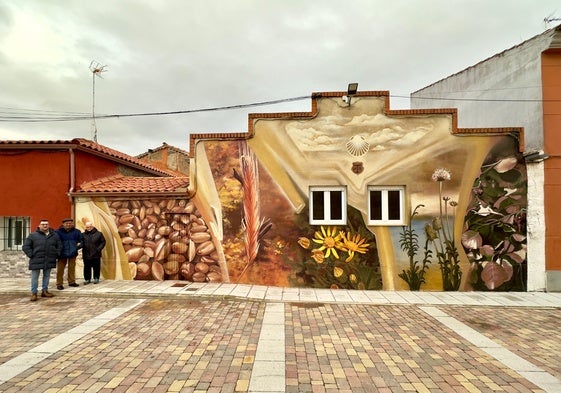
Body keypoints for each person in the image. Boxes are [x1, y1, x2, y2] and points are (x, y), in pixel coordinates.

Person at [22, 219, 62, 301]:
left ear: (49, 225)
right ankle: (34, 293)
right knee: (34, 277)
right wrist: (31, 255)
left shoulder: (54, 235)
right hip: (36, 259)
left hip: (49, 258)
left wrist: (57, 253)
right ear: (39, 225)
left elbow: (59, 245)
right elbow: (26, 246)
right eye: (43, 224)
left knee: (46, 276)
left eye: (46, 224)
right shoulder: (33, 235)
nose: (45, 226)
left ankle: (45, 291)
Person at [56, 218, 83, 290]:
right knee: (60, 269)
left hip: (73, 253)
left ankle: (71, 282)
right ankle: (59, 283)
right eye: (66, 223)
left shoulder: (77, 232)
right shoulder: (58, 232)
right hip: (62, 253)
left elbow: (82, 241)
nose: (68, 224)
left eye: (70, 223)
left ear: (72, 224)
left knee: (71, 268)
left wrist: (77, 247)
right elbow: (55, 242)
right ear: (63, 224)